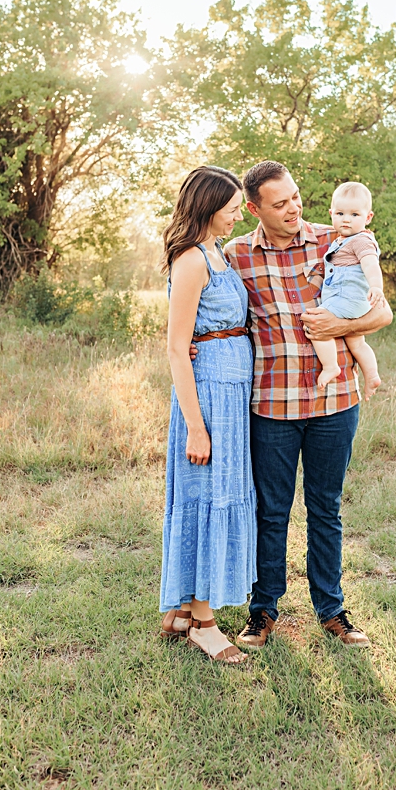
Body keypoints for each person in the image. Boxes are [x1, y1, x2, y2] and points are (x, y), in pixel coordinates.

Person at [227, 162, 393, 653]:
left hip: (335, 400)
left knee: (326, 508)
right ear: (254, 209)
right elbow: (206, 305)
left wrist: (335, 329)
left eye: (296, 196)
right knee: (271, 511)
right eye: (280, 204)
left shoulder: (337, 238)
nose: (294, 208)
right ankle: (263, 609)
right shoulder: (236, 255)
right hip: (272, 404)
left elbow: (381, 311)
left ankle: (332, 609)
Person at [159, 165, 257, 665]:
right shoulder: (192, 259)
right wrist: (196, 426)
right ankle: (203, 622)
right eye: (232, 206)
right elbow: (177, 348)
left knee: (223, 493)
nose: (238, 213)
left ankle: (181, 609)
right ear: (207, 206)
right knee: (205, 496)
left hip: (233, 386)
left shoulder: (218, 252)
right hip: (210, 396)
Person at [309, 182, 385, 396]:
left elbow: (371, 264)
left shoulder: (361, 240)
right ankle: (372, 375)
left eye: (354, 215)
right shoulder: (343, 239)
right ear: (331, 213)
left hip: (346, 299)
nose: (346, 219)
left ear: (368, 218)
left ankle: (330, 366)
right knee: (357, 343)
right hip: (354, 302)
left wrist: (377, 287)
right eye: (340, 213)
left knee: (317, 324)